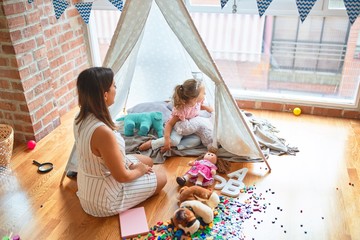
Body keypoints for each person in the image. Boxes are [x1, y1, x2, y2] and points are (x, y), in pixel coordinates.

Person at [73, 67, 167, 217]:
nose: (115, 89)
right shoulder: (102, 132)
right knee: (162, 176)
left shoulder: (81, 117)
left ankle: (140, 176)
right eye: (114, 86)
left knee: (147, 160)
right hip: (104, 199)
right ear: (104, 95)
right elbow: (122, 177)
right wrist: (139, 170)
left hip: (90, 184)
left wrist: (133, 165)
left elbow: (106, 156)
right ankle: (135, 190)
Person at [139, 78, 213, 152]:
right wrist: (167, 139)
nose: (205, 94)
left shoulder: (197, 103)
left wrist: (211, 110)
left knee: (197, 141)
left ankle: (176, 147)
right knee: (175, 141)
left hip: (190, 127)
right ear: (194, 97)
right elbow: (170, 124)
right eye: (203, 93)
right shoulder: (181, 110)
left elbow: (201, 107)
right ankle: (153, 143)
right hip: (178, 128)